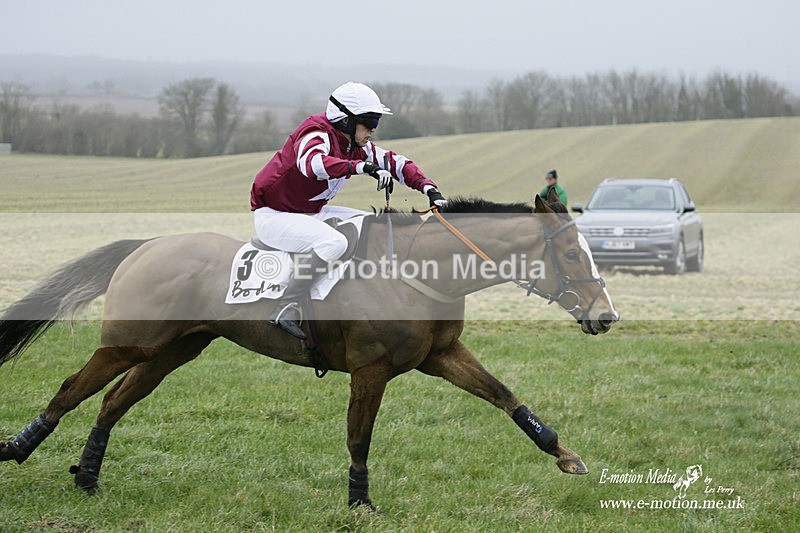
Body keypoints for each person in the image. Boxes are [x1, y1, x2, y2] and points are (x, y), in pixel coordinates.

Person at [250, 81, 448, 340]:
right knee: (334, 242)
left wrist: (429, 188)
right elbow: (312, 164)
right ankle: (286, 307)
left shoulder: (353, 143)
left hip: (310, 211)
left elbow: (393, 162)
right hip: (275, 216)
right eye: (369, 123)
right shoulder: (315, 133)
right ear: (346, 121)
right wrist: (360, 167)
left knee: (370, 224)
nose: (373, 131)